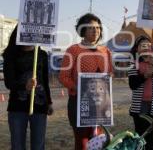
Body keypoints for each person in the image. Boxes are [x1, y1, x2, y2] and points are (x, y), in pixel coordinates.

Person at [59, 13, 113, 150]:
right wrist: (79, 88)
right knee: (82, 141)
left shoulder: (106, 51)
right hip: (79, 102)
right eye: (90, 28)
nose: (95, 30)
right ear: (82, 30)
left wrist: (107, 81)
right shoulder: (73, 50)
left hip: (100, 103)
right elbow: (63, 76)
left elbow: (110, 73)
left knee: (99, 141)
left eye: (97, 28)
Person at [3, 26, 53, 150]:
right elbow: (9, 83)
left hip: (40, 106)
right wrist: (24, 86)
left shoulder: (42, 55)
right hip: (17, 107)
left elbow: (45, 81)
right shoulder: (10, 55)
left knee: (38, 145)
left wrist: (50, 102)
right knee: (17, 145)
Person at [128, 35, 153, 150]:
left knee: (151, 135)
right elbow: (133, 85)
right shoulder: (134, 63)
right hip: (140, 105)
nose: (146, 47)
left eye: (148, 45)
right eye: (142, 45)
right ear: (137, 48)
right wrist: (144, 76)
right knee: (140, 135)